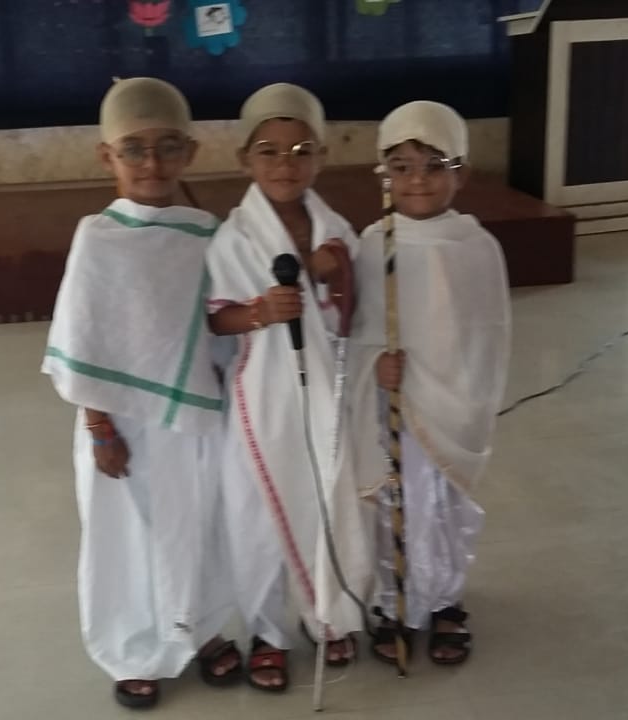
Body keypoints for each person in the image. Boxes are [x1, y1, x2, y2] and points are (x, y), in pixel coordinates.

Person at [42, 77, 240, 709]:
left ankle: (202, 629)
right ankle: (132, 649)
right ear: (107, 157)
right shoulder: (98, 238)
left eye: (167, 146)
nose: (152, 163)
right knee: (126, 536)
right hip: (120, 427)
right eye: (134, 149)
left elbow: (214, 321)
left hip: (190, 419)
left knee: (197, 523)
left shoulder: (206, 233)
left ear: (191, 152)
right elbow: (84, 340)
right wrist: (100, 427)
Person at [205, 83, 372, 693]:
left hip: (328, 391)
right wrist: (259, 312)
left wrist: (337, 269)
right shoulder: (234, 239)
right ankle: (268, 633)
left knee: (329, 498)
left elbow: (358, 309)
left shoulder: (336, 229)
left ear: (321, 157)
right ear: (245, 160)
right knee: (258, 516)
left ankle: (329, 614)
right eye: (269, 152)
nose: (286, 164)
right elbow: (216, 319)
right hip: (264, 398)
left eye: (302, 151)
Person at [347, 100, 511, 668]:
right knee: (397, 502)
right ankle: (393, 602)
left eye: (434, 166)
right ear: (384, 174)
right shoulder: (374, 245)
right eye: (402, 166)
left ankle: (444, 600)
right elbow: (356, 330)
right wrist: (374, 365)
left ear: (460, 172)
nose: (418, 180)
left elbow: (489, 332)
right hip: (392, 406)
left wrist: (461, 388)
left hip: (450, 406)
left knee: (441, 503)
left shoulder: (476, 246)